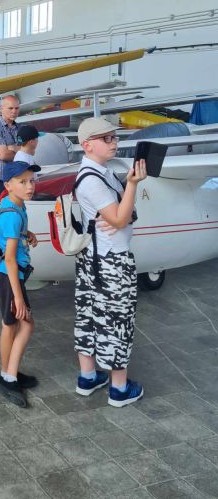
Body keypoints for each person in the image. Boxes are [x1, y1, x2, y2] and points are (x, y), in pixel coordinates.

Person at [74, 117, 147, 407]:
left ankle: (88, 376)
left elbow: (123, 215)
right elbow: (119, 218)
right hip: (111, 261)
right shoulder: (94, 180)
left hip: (93, 259)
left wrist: (122, 212)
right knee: (118, 320)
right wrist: (132, 186)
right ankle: (119, 388)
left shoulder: (98, 172)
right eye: (106, 138)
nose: (113, 142)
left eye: (114, 137)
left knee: (89, 316)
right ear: (87, 145)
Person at [0, 161, 40, 407]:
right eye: (22, 182)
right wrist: (18, 297)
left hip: (11, 276)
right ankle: (8, 378)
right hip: (9, 276)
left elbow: (12, 238)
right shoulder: (12, 214)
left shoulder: (16, 206)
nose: (30, 186)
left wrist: (26, 234)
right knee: (23, 324)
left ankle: (9, 372)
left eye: (31, 180)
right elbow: (9, 258)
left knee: (12, 325)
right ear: (8, 185)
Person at [0, 95, 22, 198]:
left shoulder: (19, 128)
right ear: (1, 109)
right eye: (10, 108)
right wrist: (20, 150)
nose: (14, 111)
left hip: (16, 177)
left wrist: (12, 148)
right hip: (0, 178)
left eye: (16, 108)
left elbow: (28, 151)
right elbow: (3, 155)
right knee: (5, 206)